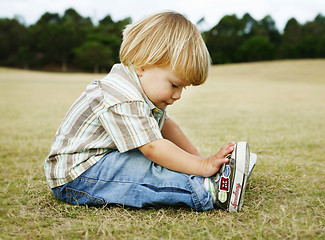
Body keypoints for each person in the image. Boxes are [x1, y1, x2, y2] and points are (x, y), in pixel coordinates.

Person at [44, 11, 254, 212]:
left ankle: (210, 178)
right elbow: (153, 147)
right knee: (147, 172)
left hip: (104, 160)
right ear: (143, 64)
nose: (178, 95)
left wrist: (200, 159)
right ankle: (209, 190)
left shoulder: (143, 91)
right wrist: (201, 166)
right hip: (80, 174)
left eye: (183, 88)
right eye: (174, 85)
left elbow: (166, 128)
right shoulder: (122, 94)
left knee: (160, 161)